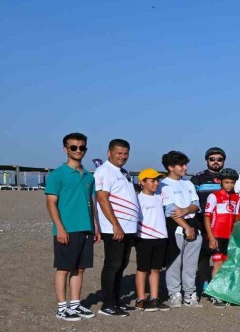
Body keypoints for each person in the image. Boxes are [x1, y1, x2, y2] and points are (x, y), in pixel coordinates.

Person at [45, 132, 101, 321]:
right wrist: (59, 228)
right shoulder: (57, 175)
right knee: (64, 268)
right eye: (74, 147)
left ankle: (75, 305)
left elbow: (91, 203)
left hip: (86, 228)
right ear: (65, 149)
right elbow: (51, 203)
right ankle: (62, 308)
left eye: (82, 147)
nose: (78, 150)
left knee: (80, 268)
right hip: (67, 229)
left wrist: (95, 226)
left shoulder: (88, 177)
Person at [95, 138, 139, 317]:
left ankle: (116, 300)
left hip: (128, 227)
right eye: (118, 153)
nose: (122, 156)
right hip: (115, 227)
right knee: (112, 264)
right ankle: (108, 304)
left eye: (125, 153)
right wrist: (115, 225)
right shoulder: (104, 171)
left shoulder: (123, 172)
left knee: (122, 265)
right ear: (109, 153)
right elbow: (102, 198)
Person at [160, 151, 203, 308]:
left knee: (191, 264)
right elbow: (170, 210)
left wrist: (185, 210)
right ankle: (174, 293)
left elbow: (196, 205)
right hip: (175, 227)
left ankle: (189, 293)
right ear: (171, 167)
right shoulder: (163, 185)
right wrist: (185, 226)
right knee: (174, 262)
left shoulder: (188, 183)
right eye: (181, 165)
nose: (185, 167)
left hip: (193, 224)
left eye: (186, 164)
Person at [191, 147, 226, 295]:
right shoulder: (199, 177)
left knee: (221, 256)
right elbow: (191, 199)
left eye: (219, 159)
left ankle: (218, 286)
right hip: (202, 221)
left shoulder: (228, 176)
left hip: (223, 223)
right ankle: (204, 283)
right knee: (203, 255)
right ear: (207, 160)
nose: (216, 162)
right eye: (212, 159)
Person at [134, 168, 170, 312]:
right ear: (142, 182)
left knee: (156, 269)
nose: (156, 183)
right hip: (144, 238)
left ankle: (154, 298)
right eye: (152, 180)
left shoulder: (160, 197)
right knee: (143, 269)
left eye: (157, 180)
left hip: (161, 237)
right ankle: (141, 299)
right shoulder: (137, 198)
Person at [203, 168, 240, 306]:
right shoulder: (214, 196)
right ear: (221, 182)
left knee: (226, 265)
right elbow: (207, 217)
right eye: (226, 182)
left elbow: (236, 218)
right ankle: (214, 293)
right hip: (217, 234)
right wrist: (211, 237)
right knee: (217, 263)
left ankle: (222, 291)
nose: (229, 185)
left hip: (230, 236)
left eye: (232, 182)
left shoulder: (237, 197)